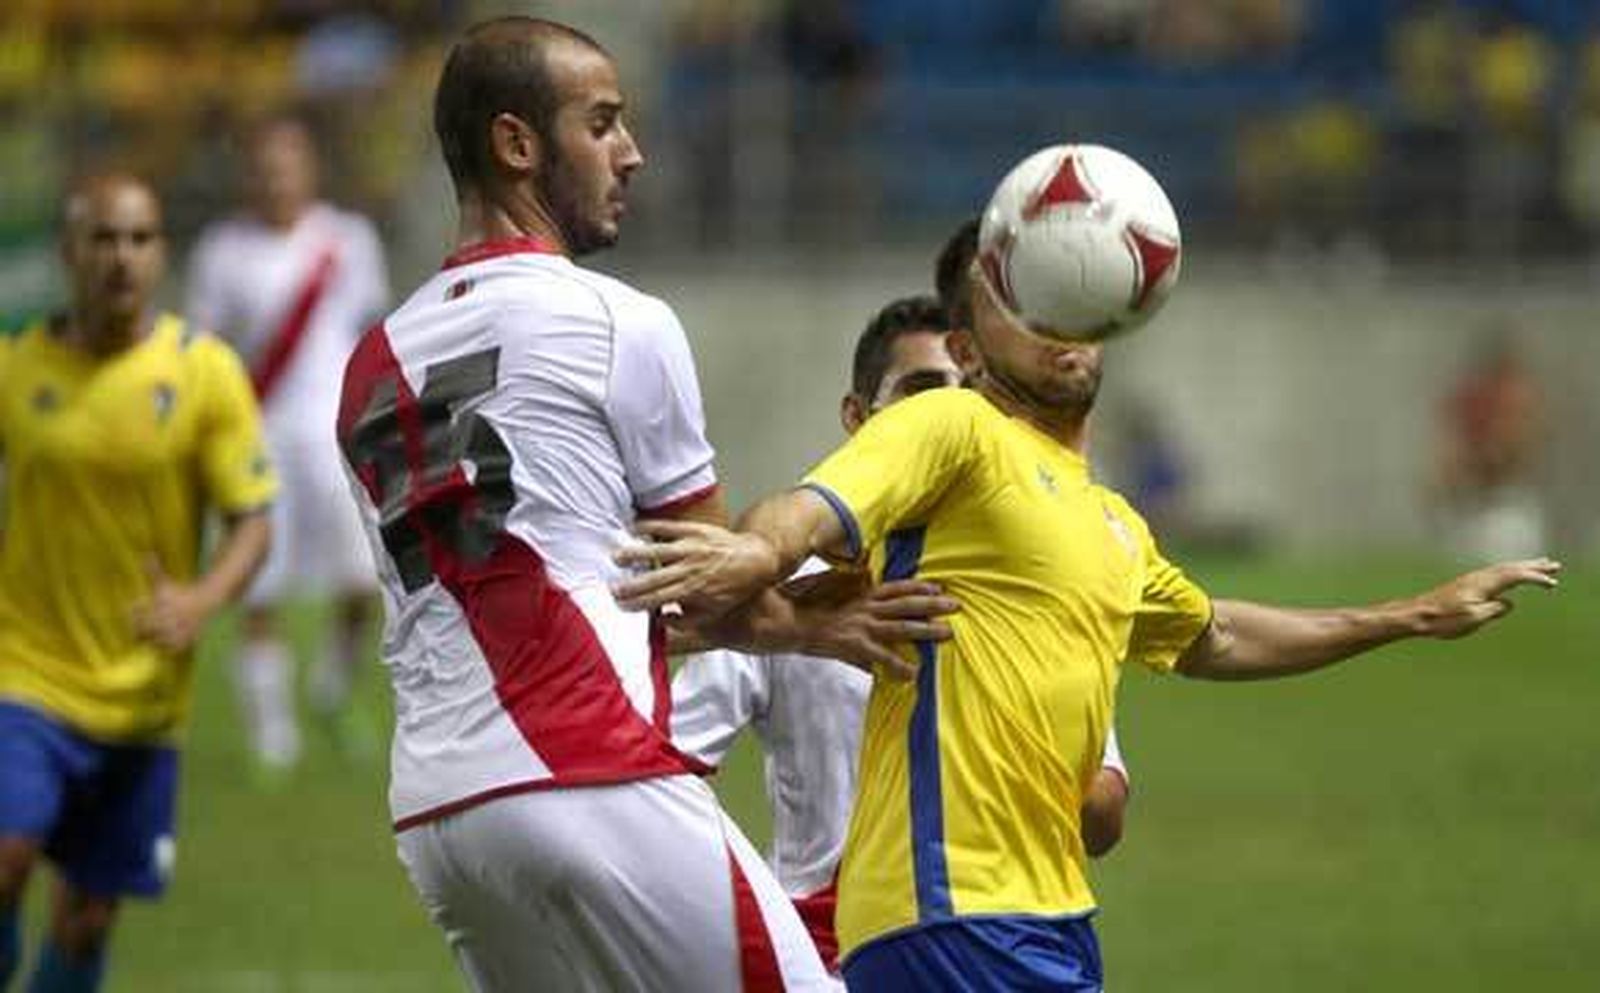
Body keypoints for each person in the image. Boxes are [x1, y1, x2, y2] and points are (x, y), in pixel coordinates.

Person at [616, 218, 1560, 989]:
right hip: (948, 907)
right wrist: (757, 549)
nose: (1059, 321)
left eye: (1074, 300)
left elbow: (1219, 634)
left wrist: (1407, 616)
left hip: (1052, 911)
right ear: (970, 347)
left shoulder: (1111, 523)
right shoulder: (954, 427)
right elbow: (809, 512)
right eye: (1025, 303)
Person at [334, 17, 947, 992]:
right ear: (517, 143)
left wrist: (795, 626)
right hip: (585, 769)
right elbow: (709, 581)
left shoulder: (370, 364)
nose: (632, 151)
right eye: (602, 123)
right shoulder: (618, 321)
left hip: (439, 813)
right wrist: (822, 618)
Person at [672, 292, 1133, 974]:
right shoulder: (791, 584)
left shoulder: (1023, 574)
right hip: (821, 952)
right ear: (859, 418)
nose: (946, 412)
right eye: (920, 390)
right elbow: (669, 753)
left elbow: (1103, 816)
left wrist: (1018, 743)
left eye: (964, 390)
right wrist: (754, 912)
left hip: (989, 923)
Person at [0, 174, 275, 992]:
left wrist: (201, 599)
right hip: (24, 672)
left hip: (143, 695)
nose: (122, 257)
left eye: (140, 238)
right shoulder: (16, 367)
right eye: (103, 238)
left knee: (86, 919)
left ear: (160, 252)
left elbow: (253, 520)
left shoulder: (204, 373)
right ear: (68, 252)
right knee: (5, 856)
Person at [187, 114, 390, 774]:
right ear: (250, 174)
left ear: (310, 168)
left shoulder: (347, 240)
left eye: (288, 164)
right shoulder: (223, 250)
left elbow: (370, 333)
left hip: (336, 440)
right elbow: (206, 351)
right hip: (259, 437)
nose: (277, 179)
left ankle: (330, 684)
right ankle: (272, 734)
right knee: (260, 586)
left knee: (364, 579)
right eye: (265, 167)